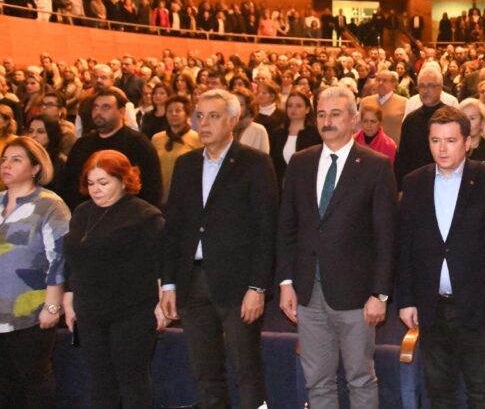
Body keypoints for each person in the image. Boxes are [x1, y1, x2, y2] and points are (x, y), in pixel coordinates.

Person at [277, 86, 397, 409]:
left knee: (360, 377)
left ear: (354, 119)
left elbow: (386, 235)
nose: (327, 121)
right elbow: (286, 228)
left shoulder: (376, 166)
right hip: (307, 292)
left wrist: (380, 294)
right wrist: (286, 282)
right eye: (321, 114)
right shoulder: (300, 163)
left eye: (335, 114)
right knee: (317, 382)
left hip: (357, 296)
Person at [160, 89, 278, 409]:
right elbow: (173, 229)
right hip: (191, 282)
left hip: (238, 284)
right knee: (205, 371)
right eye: (200, 115)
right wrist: (168, 283)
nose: (204, 123)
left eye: (214, 116)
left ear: (233, 121)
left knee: (247, 370)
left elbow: (267, 230)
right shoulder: (185, 165)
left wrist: (257, 286)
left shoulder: (255, 163)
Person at [396, 106, 485, 408]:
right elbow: (405, 247)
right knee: (439, 393)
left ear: (467, 142)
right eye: (435, 141)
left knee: (481, 391)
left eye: (450, 140)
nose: (442, 148)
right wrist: (407, 299)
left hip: (479, 306)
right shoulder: (414, 182)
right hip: (431, 305)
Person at [63, 150, 166, 409]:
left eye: (103, 183)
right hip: (90, 309)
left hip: (132, 310)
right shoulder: (82, 212)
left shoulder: (145, 215)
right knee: (100, 381)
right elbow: (73, 259)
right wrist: (69, 296)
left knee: (132, 380)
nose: (96, 190)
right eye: (91, 183)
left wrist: (162, 301)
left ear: (124, 181)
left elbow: (161, 263)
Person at [0, 137, 69, 408]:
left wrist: (52, 307)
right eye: (4, 158)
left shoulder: (49, 205)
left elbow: (61, 258)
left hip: (30, 314)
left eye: (16, 159)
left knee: (33, 382)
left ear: (35, 168)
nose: (6, 164)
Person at [58, 87, 162, 210]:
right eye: (95, 107)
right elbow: (69, 185)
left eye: (106, 107)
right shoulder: (82, 144)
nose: (98, 112)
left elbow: (152, 190)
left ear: (122, 112)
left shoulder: (139, 144)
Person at [151, 95, 201, 202]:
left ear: (187, 114)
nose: (173, 114)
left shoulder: (197, 138)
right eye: (170, 111)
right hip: (160, 194)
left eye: (178, 110)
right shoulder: (157, 138)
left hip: (186, 195)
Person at [269, 92, 322, 184]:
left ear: (307, 109)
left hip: (307, 184)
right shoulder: (278, 133)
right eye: (290, 106)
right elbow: (272, 162)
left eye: (298, 106)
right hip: (281, 185)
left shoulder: (315, 134)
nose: (293, 109)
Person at [360, 70, 407, 146]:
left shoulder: (404, 103)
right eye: (378, 80)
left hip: (394, 151)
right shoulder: (365, 102)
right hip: (368, 151)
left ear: (393, 84)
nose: (380, 83)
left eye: (385, 80)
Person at [354, 99, 397, 165]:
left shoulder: (389, 145)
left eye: (373, 121)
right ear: (361, 122)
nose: (369, 125)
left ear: (380, 123)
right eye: (365, 121)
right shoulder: (352, 141)